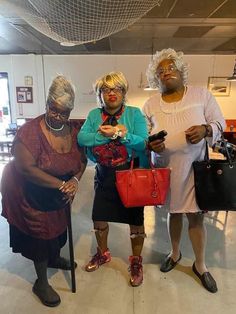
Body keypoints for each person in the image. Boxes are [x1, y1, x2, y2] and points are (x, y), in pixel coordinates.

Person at [143, 48, 226, 293]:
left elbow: (218, 123)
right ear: (155, 79)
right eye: (160, 71)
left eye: (170, 68)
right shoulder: (150, 104)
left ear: (181, 71)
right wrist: (150, 143)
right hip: (165, 171)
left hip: (194, 170)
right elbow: (144, 135)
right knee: (173, 213)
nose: (166, 73)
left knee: (196, 216)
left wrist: (205, 129)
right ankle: (175, 252)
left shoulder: (201, 95)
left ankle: (200, 265)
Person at [1, 75, 87, 307]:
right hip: (29, 191)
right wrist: (62, 185)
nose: (58, 116)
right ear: (47, 104)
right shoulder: (29, 132)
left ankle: (54, 257)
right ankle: (41, 281)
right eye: (54, 110)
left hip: (58, 191)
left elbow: (82, 161)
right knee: (40, 233)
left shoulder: (73, 130)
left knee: (58, 230)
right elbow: (27, 169)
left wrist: (75, 181)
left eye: (64, 113)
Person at [77, 71, 148, 287]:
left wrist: (119, 134)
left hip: (130, 174)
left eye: (116, 88)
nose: (111, 93)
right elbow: (82, 137)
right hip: (104, 173)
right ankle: (102, 253)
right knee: (99, 217)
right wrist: (102, 135)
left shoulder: (134, 114)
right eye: (106, 89)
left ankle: (136, 261)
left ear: (124, 91)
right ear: (100, 94)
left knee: (135, 221)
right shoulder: (93, 115)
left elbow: (142, 142)